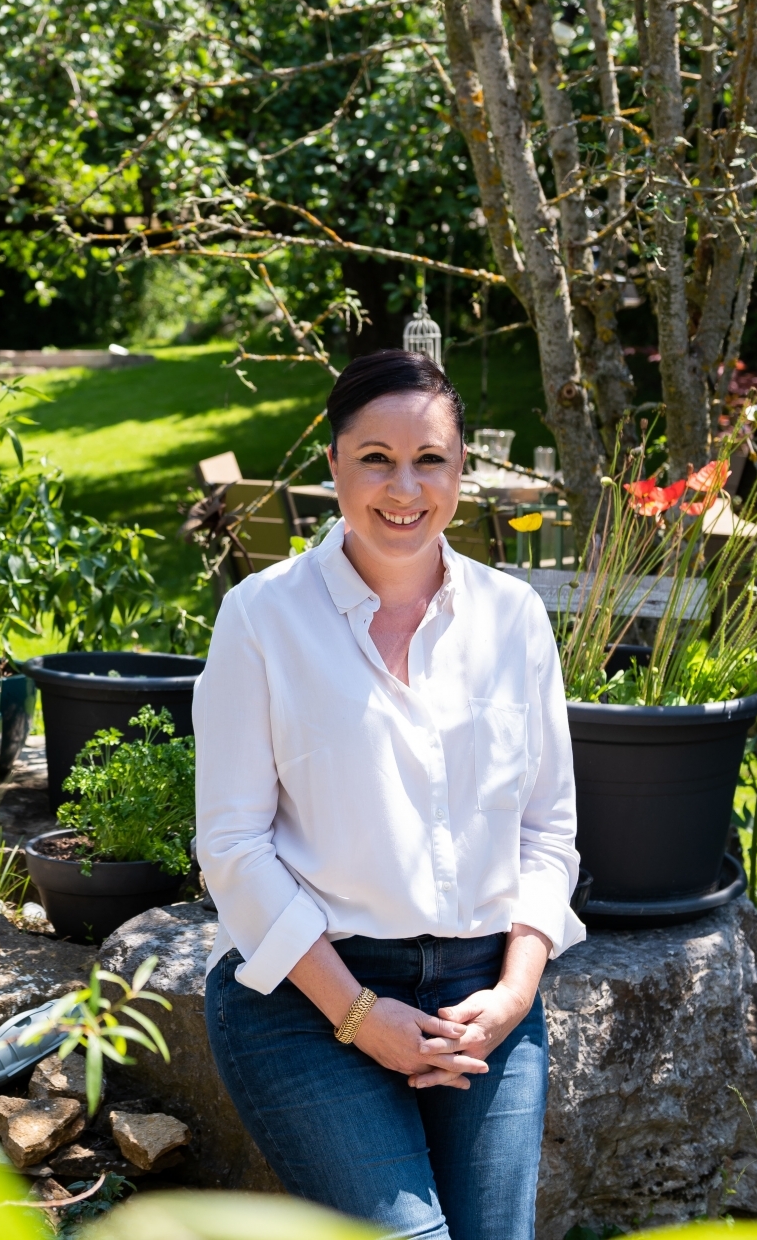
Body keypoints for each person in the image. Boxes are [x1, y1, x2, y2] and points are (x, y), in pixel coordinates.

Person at [194, 349, 582, 1239]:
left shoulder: (513, 618)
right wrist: (362, 1017)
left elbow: (548, 833)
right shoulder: (262, 618)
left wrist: (515, 994)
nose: (403, 487)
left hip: (482, 995)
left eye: (429, 460)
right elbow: (233, 847)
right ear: (332, 464)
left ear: (460, 472)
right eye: (375, 458)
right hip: (304, 993)